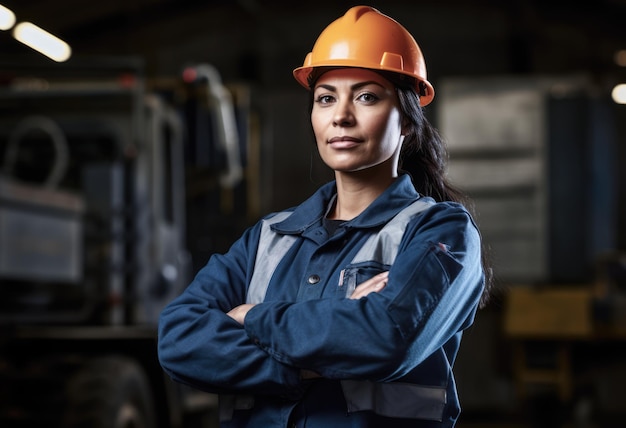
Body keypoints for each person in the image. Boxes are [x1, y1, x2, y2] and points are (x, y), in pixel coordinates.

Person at [158, 5, 492, 427]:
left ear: (407, 120)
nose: (341, 116)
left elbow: (385, 339)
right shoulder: (268, 238)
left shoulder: (441, 232)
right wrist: (318, 354)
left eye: (367, 96)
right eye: (326, 98)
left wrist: (250, 316)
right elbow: (178, 341)